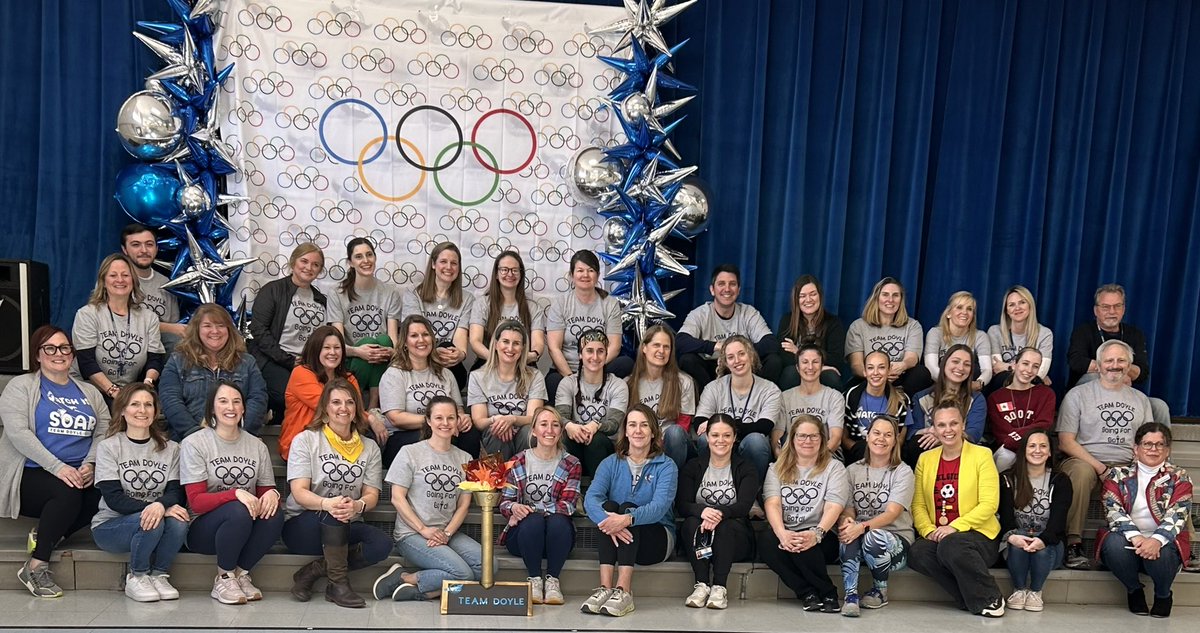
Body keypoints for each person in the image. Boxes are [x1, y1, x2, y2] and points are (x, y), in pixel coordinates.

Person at [0, 326, 108, 598]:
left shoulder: (88, 391)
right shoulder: (21, 387)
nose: (58, 354)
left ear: (72, 355)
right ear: (38, 354)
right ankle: (36, 566)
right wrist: (58, 467)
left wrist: (91, 464)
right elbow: (18, 433)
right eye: (50, 348)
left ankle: (49, 532)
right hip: (31, 472)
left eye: (64, 348)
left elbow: (104, 428)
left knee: (107, 491)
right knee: (68, 491)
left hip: (78, 470)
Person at [284, 379, 391, 608]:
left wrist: (357, 506)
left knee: (382, 544)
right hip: (304, 526)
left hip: (346, 522)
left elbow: (371, 494)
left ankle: (312, 572)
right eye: (336, 402)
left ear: (356, 409)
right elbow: (299, 492)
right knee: (336, 511)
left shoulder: (369, 447)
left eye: (349, 402)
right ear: (325, 408)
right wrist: (328, 504)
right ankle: (339, 585)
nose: (343, 407)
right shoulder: (306, 440)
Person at [180, 380, 284, 605]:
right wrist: (235, 493)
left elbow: (265, 491)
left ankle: (241, 574)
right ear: (212, 408)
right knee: (238, 509)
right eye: (223, 401)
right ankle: (224, 578)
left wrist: (272, 495)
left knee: (274, 512)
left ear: (243, 408)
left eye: (237, 401)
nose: (231, 407)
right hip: (204, 530)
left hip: (244, 527)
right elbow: (196, 502)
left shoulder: (257, 446)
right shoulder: (195, 443)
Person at [1056, 340, 1156, 569]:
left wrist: (1138, 463)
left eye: (1121, 360)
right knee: (1080, 473)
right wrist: (1101, 468)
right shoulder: (1078, 395)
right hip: (1085, 460)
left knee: (1167, 475)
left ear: (1129, 365)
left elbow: (1147, 441)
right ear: (1099, 365)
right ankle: (1073, 543)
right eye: (1109, 360)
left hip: (1126, 461)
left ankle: (1179, 543)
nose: (1115, 365)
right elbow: (1066, 441)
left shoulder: (1140, 400)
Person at [371, 396, 482, 602]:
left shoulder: (465, 458)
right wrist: (423, 530)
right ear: (429, 421)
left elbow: (464, 504)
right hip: (412, 534)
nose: (445, 423)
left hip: (447, 532)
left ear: (458, 421)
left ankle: (417, 585)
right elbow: (397, 498)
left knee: (487, 566)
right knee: (463, 574)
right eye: (439, 418)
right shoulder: (410, 452)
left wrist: (447, 533)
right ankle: (405, 576)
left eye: (451, 418)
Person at [91, 384, 188, 602]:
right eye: (134, 404)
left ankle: (158, 575)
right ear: (123, 410)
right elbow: (114, 499)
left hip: (152, 522)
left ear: (155, 411)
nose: (142, 410)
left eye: (148, 405)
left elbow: (175, 492)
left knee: (179, 520)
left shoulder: (171, 448)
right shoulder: (109, 446)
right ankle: (137, 576)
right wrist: (157, 508)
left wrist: (161, 506)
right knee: (154, 519)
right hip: (110, 527)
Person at [580, 404, 679, 617]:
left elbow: (659, 507)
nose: (638, 430)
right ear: (625, 431)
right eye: (632, 425)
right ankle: (605, 589)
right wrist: (609, 522)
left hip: (657, 540)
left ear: (653, 432)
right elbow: (591, 499)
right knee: (607, 508)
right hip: (620, 539)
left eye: (644, 425)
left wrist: (626, 519)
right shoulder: (610, 463)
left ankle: (624, 591)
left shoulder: (666, 466)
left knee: (626, 508)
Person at [908, 403, 1005, 617]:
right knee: (917, 552)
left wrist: (954, 527)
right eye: (941, 425)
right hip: (941, 537)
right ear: (933, 428)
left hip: (979, 537)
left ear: (963, 425)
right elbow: (918, 504)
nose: (948, 430)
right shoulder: (926, 459)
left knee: (952, 544)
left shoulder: (982, 454)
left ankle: (991, 598)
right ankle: (967, 596)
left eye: (953, 423)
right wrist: (928, 531)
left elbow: (989, 504)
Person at [1097, 422, 1191, 618]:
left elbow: (1178, 515)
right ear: (1136, 448)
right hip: (1129, 540)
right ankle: (1134, 590)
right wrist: (1137, 538)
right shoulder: (1117, 475)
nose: (1153, 449)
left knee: (1164, 552)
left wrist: (1156, 540)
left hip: (1163, 543)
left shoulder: (1179, 477)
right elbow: (1113, 510)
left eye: (1160, 445)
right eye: (1147, 444)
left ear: (1167, 450)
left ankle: (1163, 594)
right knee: (1113, 545)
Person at [758, 415, 849, 613]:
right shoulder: (776, 468)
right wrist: (782, 533)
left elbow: (834, 505)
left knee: (804, 544)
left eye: (814, 436)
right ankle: (808, 592)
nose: (808, 441)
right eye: (802, 436)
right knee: (766, 541)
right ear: (792, 440)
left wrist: (816, 533)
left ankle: (827, 593)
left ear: (822, 440)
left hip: (824, 535)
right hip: (787, 532)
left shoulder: (835, 468)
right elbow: (772, 503)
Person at [498, 407, 582, 606]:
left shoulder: (571, 463)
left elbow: (568, 506)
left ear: (561, 431)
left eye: (555, 425)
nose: (550, 430)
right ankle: (534, 580)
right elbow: (504, 503)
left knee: (557, 521)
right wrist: (514, 509)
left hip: (557, 539)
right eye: (543, 424)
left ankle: (553, 581)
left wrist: (531, 508)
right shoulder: (517, 461)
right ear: (533, 431)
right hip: (524, 538)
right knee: (533, 520)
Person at [676, 414, 758, 610]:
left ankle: (719, 586)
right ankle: (702, 584)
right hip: (701, 536)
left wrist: (719, 513)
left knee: (725, 525)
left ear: (734, 437)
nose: (720, 440)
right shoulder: (693, 466)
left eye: (726, 435)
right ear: (707, 438)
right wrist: (703, 511)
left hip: (735, 539)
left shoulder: (746, 467)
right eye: (715, 435)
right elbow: (682, 504)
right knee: (690, 523)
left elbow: (744, 506)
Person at [837, 414, 914, 617]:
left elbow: (892, 513)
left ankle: (880, 591)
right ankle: (851, 596)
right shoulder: (852, 470)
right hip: (860, 538)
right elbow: (849, 507)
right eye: (877, 433)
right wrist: (849, 520)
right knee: (847, 529)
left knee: (872, 535)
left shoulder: (903, 472)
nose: (881, 439)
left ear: (895, 440)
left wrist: (861, 527)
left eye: (888, 435)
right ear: (867, 435)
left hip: (895, 545)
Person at [158, 303, 268, 441]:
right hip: (188, 440)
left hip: (236, 441)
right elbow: (170, 399)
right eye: (207, 326)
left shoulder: (247, 362)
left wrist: (239, 435)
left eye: (221, 325)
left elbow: (258, 399)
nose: (215, 331)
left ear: (229, 329)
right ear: (196, 330)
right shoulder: (178, 360)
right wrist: (195, 434)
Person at [378, 315, 477, 466]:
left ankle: (467, 481)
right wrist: (437, 422)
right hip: (404, 436)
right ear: (405, 342)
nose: (421, 340)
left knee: (469, 435)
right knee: (428, 436)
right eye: (414, 336)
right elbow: (396, 418)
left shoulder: (445, 373)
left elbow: (458, 409)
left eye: (425, 335)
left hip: (443, 432)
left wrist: (462, 418)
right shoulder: (394, 374)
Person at [1065, 283, 1169, 425]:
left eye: (1117, 306)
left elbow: (1142, 372)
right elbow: (1077, 362)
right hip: (1089, 396)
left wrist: (1121, 372)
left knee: (1160, 407)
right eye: (1106, 307)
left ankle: (1157, 446)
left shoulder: (1134, 334)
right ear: (1096, 310)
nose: (1112, 311)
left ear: (1123, 309)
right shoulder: (1083, 331)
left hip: (1124, 396)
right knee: (1092, 376)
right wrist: (1112, 373)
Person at [248, 242, 328, 425]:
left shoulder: (322, 300)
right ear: (293, 262)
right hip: (274, 361)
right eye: (304, 261)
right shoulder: (273, 290)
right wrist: (288, 360)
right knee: (298, 398)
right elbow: (258, 330)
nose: (309, 267)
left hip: (309, 366)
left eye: (316, 264)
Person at [73, 253, 165, 402]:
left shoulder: (149, 318)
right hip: (91, 388)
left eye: (125, 275)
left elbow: (155, 359)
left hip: (130, 391)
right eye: (113, 275)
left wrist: (147, 384)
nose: (120, 280)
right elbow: (86, 363)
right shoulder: (87, 314)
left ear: (133, 280)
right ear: (103, 281)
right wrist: (114, 392)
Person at [998, 430, 1071, 613]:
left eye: (1043, 446)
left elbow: (1058, 522)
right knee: (1017, 542)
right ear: (1023, 451)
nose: (1037, 450)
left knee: (1041, 549)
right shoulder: (1008, 478)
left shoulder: (1060, 480)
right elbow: (1006, 519)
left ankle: (1036, 591)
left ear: (1049, 452)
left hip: (1050, 543)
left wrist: (1042, 540)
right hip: (1017, 541)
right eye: (1032, 446)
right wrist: (1013, 537)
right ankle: (1019, 590)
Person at [677, 264, 783, 391]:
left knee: (774, 361)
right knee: (687, 360)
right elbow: (681, 341)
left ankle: (755, 400)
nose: (727, 289)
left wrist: (740, 351)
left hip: (744, 368)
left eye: (732, 284)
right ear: (712, 289)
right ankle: (711, 400)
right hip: (711, 371)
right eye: (721, 284)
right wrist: (716, 346)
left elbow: (771, 343)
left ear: (738, 290)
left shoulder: (748, 312)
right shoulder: (700, 314)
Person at [545, 249, 632, 402]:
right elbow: (554, 348)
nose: (585, 275)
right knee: (552, 382)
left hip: (599, 366)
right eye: (580, 270)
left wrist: (594, 368)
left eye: (590, 270)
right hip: (568, 368)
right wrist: (572, 379)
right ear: (572, 276)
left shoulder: (609, 303)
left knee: (626, 363)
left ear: (597, 276)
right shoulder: (561, 303)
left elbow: (615, 346)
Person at [693, 335, 782, 484]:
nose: (737, 361)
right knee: (704, 439)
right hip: (721, 444)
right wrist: (728, 431)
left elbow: (764, 426)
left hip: (750, 447)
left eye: (741, 354)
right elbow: (700, 423)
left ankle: (753, 493)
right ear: (725, 362)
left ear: (751, 355)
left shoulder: (770, 389)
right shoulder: (713, 388)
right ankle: (710, 485)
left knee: (756, 440)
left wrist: (721, 426)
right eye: (731, 357)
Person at [328, 238, 401, 409]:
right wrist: (358, 352)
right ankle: (366, 404)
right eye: (359, 257)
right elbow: (337, 342)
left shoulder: (390, 292)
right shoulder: (337, 293)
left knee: (382, 341)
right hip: (351, 358)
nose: (366, 260)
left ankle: (373, 405)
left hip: (382, 357)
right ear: (350, 263)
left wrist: (392, 351)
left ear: (375, 257)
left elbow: (392, 338)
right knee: (368, 342)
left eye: (369, 255)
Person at [278, 326, 369, 461]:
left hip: (341, 445)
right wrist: (372, 418)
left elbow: (357, 411)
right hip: (303, 447)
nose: (332, 352)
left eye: (337, 348)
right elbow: (326, 404)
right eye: (326, 348)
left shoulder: (349, 379)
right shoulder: (301, 373)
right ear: (315, 350)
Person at [468, 321, 548, 459]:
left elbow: (533, 417)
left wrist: (511, 419)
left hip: (522, 435)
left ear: (523, 348)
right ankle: (497, 479)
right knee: (497, 431)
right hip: (495, 437)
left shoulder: (534, 376)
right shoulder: (478, 376)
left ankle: (524, 477)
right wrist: (498, 420)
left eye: (516, 343)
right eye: (505, 341)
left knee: (530, 432)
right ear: (496, 344)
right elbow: (479, 421)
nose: (510, 348)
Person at [401, 241, 475, 390]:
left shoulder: (467, 299)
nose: (449, 267)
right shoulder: (413, 293)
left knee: (448, 346)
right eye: (443, 262)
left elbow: (461, 336)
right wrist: (433, 352)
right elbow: (414, 333)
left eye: (454, 263)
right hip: (419, 357)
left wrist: (460, 354)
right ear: (433, 264)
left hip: (449, 365)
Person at [555, 328, 628, 476]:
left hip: (604, 449)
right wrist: (569, 425)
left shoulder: (618, 385)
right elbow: (559, 417)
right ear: (580, 354)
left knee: (595, 440)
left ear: (606, 354)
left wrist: (596, 425)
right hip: (575, 443)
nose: (595, 357)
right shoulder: (568, 383)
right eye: (589, 351)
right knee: (565, 436)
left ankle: (598, 490)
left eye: (600, 351)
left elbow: (614, 424)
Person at [627, 324, 696, 470]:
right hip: (641, 442)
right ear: (644, 348)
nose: (661, 351)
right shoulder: (629, 384)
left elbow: (684, 424)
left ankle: (670, 480)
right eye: (656, 345)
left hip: (673, 446)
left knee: (675, 433)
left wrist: (658, 443)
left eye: (666, 347)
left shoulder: (683, 382)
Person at [845, 277, 929, 395]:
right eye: (885, 295)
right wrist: (877, 373)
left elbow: (912, 358)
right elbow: (856, 365)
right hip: (869, 377)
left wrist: (902, 365)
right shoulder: (858, 326)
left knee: (921, 373)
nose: (890, 300)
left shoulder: (913, 326)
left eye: (895, 295)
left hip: (899, 377)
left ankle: (903, 405)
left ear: (901, 300)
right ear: (876, 298)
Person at [904, 344, 985, 466]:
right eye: (955, 361)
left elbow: (974, 434)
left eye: (967, 364)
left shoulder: (976, 398)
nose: (961, 367)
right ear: (944, 363)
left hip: (961, 449)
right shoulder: (921, 397)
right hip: (930, 449)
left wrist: (944, 436)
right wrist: (931, 431)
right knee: (916, 443)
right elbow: (912, 432)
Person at [468, 250, 546, 367]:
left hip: (523, 364)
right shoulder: (482, 304)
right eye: (504, 270)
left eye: (515, 270)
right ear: (496, 274)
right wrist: (497, 359)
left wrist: (528, 356)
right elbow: (475, 341)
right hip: (488, 362)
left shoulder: (533, 308)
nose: (510, 274)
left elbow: (538, 344)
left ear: (521, 274)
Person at [986, 348, 1056, 472]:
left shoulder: (1046, 394)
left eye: (1035, 366)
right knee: (1007, 455)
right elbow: (1001, 433)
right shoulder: (995, 397)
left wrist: (1022, 442)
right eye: (1025, 363)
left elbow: (1043, 424)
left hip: (1036, 449)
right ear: (1015, 364)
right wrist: (1021, 441)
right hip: (1007, 451)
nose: (1029, 370)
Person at [120, 223, 184, 350]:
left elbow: (173, 329)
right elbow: (119, 322)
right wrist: (170, 328)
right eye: (136, 245)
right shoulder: (116, 281)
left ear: (156, 248)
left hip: (161, 348)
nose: (144, 250)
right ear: (125, 250)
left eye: (149, 244)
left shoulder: (166, 283)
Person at [777, 275, 847, 391]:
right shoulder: (787, 320)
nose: (808, 300)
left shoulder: (833, 322)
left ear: (820, 296)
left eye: (813, 294)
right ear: (796, 300)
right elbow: (784, 357)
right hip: (797, 371)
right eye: (802, 296)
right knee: (790, 374)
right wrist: (818, 365)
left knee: (831, 377)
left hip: (823, 374)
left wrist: (797, 352)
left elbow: (836, 359)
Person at [842, 350, 911, 464]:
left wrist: (879, 451)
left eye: (881, 367)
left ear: (889, 370)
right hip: (857, 454)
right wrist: (864, 450)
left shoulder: (901, 400)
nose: (875, 373)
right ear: (864, 371)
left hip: (887, 456)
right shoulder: (850, 396)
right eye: (870, 368)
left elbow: (900, 439)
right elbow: (844, 438)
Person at [986, 285, 1053, 392]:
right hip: (1002, 385)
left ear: (1030, 305)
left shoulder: (1044, 334)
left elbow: (1041, 372)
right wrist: (1029, 371)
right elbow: (997, 368)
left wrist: (1008, 367)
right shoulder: (995, 331)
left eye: (1022, 302)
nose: (1017, 308)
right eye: (1011, 305)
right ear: (1006, 311)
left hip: (1031, 384)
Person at [779, 345, 845, 455]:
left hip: (826, 458)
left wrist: (813, 461)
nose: (810, 367)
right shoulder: (784, 397)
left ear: (822, 366)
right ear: (797, 367)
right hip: (792, 460)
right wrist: (784, 461)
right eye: (805, 362)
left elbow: (836, 438)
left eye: (815, 362)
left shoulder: (835, 397)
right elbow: (777, 439)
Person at [924, 292, 992, 390]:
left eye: (969, 309)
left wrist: (979, 383)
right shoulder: (935, 333)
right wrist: (951, 384)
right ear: (948, 313)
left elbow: (987, 370)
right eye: (959, 307)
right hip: (940, 384)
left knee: (974, 369)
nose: (964, 312)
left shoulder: (980, 336)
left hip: (968, 387)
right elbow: (931, 367)